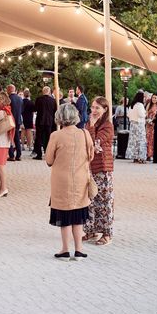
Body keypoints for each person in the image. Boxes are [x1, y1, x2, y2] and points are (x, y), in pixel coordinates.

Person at [45, 103, 94, 260]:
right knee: (78, 215)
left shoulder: (55, 136)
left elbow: (49, 160)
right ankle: (79, 249)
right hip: (80, 179)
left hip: (61, 180)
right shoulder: (85, 134)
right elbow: (91, 155)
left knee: (64, 216)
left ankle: (65, 249)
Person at [84, 97, 115, 246]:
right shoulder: (88, 123)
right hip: (89, 166)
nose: (94, 110)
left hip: (103, 167)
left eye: (97, 108)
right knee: (90, 199)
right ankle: (91, 230)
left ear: (105, 109)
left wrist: (91, 125)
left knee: (104, 200)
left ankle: (107, 233)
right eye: (93, 107)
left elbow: (94, 142)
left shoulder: (107, 126)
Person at [0, 91, 15, 197]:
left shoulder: (1, 112)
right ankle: (2, 187)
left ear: (1, 100)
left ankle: (3, 187)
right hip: (4, 141)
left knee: (0, 165)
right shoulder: (7, 110)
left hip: (0, 141)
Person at [33, 86, 57, 159]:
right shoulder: (53, 101)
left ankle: (39, 154)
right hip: (49, 122)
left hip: (40, 121)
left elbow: (35, 109)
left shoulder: (38, 99)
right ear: (49, 92)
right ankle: (47, 154)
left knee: (39, 138)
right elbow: (55, 111)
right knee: (48, 138)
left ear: (43, 92)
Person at [126, 91, 147, 163]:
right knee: (140, 141)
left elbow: (128, 114)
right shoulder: (140, 105)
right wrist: (145, 114)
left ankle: (134, 156)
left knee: (133, 141)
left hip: (132, 124)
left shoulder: (132, 105)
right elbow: (141, 114)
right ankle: (140, 157)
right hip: (139, 124)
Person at [7, 84, 22, 161]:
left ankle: (11, 155)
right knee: (16, 138)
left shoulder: (8, 99)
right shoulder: (20, 99)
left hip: (10, 120)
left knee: (10, 137)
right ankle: (19, 155)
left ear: (9, 90)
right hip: (18, 120)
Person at [145, 94, 157, 162]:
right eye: (153, 98)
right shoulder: (149, 105)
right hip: (149, 124)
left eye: (155, 98)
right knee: (148, 139)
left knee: (153, 140)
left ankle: (152, 154)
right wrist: (147, 119)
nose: (154, 99)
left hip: (154, 124)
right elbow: (146, 113)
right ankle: (148, 154)